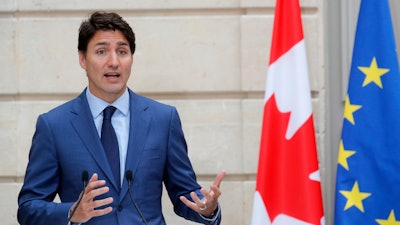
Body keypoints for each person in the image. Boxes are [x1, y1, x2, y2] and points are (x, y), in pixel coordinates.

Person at [17, 11, 225, 225]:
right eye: (101, 51)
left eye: (122, 52)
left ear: (131, 59)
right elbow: (28, 207)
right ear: (82, 59)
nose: (114, 62)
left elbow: (185, 194)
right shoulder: (54, 125)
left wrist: (207, 208)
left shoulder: (163, 119)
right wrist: (71, 212)